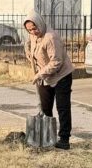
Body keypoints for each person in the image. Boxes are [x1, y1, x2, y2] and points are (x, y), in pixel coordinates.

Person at [23, 11, 74, 150]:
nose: (33, 32)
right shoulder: (32, 36)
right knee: (45, 108)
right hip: (45, 76)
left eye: (35, 28)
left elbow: (56, 61)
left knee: (62, 107)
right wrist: (29, 53)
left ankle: (64, 139)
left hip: (61, 75)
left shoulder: (50, 37)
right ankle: (47, 137)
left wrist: (40, 74)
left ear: (40, 23)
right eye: (29, 30)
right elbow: (28, 44)